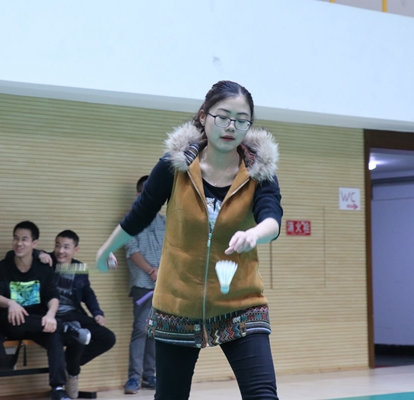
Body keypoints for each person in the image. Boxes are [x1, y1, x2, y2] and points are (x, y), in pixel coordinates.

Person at [96, 81, 283, 400]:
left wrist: (254, 233)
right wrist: (106, 249)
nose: (231, 127)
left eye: (241, 120)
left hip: (241, 302)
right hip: (177, 303)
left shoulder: (258, 171)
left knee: (263, 395)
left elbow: (272, 217)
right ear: (203, 116)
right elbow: (140, 214)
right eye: (223, 116)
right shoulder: (175, 165)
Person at [0, 221, 91, 400]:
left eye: (24, 239)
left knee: (54, 336)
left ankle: (58, 389)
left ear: (34, 243)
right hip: (11, 322)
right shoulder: (2, 267)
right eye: (16, 238)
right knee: (18, 319)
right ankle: (65, 327)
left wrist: (51, 315)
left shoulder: (43, 269)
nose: (19, 243)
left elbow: (53, 296)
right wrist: (11, 303)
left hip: (38, 321)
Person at [33, 230, 116, 399]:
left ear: (75, 250)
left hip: (73, 314)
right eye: (57, 245)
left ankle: (69, 363)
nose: (60, 251)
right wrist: (38, 253)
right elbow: (18, 254)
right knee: (72, 336)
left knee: (108, 338)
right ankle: (71, 372)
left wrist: (97, 313)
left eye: (66, 247)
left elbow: (88, 294)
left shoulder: (79, 268)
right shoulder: (45, 263)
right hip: (51, 315)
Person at [123, 176, 165, 395]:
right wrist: (151, 270)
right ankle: (133, 377)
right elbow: (131, 250)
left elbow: (173, 250)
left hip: (164, 286)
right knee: (141, 329)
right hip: (142, 285)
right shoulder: (129, 221)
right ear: (138, 194)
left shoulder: (165, 222)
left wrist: (163, 273)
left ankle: (150, 375)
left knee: (155, 331)